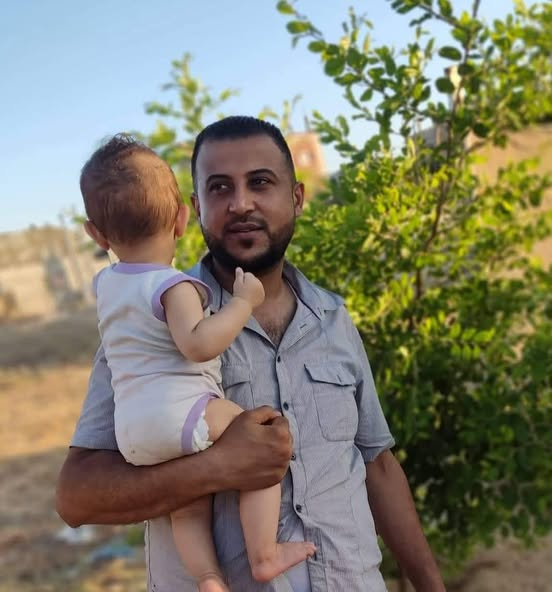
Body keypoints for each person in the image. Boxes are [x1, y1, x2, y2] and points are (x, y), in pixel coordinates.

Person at [57, 116, 446, 592]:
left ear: (296, 198)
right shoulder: (151, 323)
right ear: (193, 210)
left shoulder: (334, 319)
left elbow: (377, 464)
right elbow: (77, 498)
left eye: (260, 182)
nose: (241, 203)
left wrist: (431, 584)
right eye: (220, 188)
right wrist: (214, 468)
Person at [79, 134, 316, 591]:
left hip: (134, 435)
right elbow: (198, 344)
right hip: (184, 413)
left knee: (186, 509)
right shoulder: (174, 287)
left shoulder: (106, 287)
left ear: (96, 234)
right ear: (182, 218)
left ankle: (208, 577)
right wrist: (243, 303)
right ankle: (264, 554)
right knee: (260, 448)